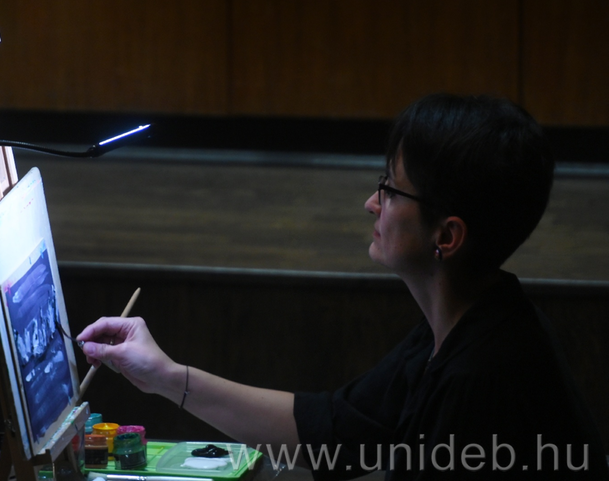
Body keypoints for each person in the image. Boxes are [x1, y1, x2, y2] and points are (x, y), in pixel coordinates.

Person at [77, 94, 608, 479]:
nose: (372, 203)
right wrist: (166, 376)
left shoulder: (482, 382)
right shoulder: (463, 322)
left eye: (391, 190)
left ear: (446, 236)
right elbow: (332, 431)